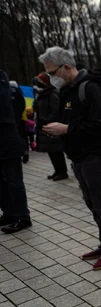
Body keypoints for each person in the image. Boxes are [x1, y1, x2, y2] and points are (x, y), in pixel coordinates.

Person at [39, 46, 101, 268]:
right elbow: (68, 118)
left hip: (96, 154)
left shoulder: (90, 87)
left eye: (52, 73)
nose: (51, 78)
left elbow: (99, 124)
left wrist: (66, 129)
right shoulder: (67, 89)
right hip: (78, 155)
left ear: (66, 67)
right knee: (91, 201)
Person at [0, 70, 32, 234]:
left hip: (8, 140)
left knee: (14, 181)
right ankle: (9, 213)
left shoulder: (3, 81)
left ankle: (22, 217)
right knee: (2, 182)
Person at [33, 72, 68, 181]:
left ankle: (62, 171)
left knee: (56, 149)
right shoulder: (41, 94)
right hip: (43, 125)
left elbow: (56, 110)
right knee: (50, 150)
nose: (40, 83)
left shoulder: (52, 93)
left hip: (51, 125)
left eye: (42, 81)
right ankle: (57, 170)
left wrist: (48, 121)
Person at [9, 81, 27, 163]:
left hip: (10, 118)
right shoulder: (19, 93)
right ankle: (24, 150)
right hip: (20, 118)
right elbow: (23, 105)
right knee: (21, 134)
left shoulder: (7, 92)